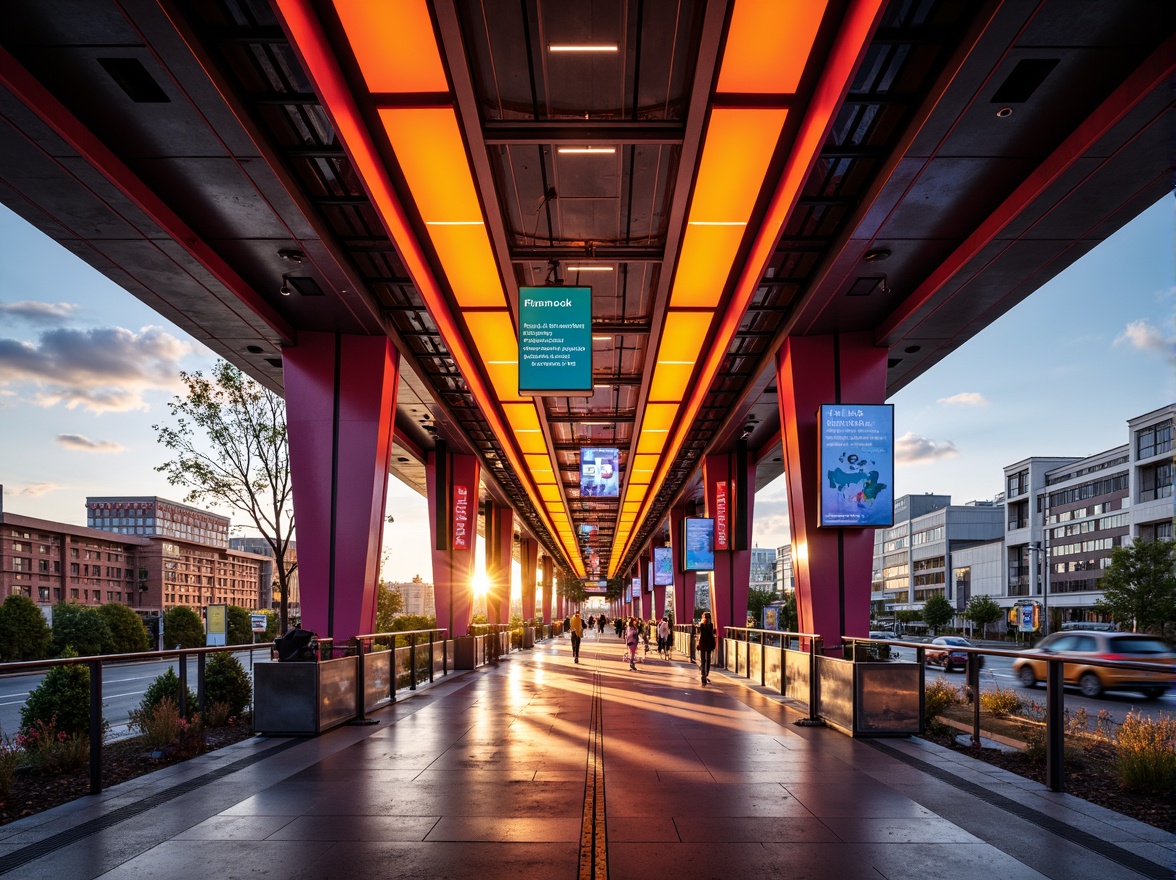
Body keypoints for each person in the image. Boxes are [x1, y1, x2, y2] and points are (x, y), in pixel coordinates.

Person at [696, 611, 716, 685]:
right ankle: (706, 673)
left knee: (703, 660)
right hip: (709, 644)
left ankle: (703, 673)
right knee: (708, 660)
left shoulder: (701, 625)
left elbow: (698, 635)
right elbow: (712, 635)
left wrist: (697, 644)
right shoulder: (711, 625)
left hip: (702, 644)